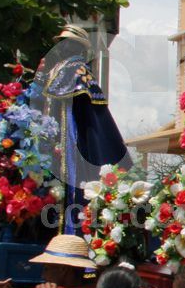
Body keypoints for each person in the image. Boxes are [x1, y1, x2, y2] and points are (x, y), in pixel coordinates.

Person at [30, 24, 130, 233]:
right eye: (62, 43)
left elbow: (92, 113)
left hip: (71, 140)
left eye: (69, 43)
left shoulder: (77, 69)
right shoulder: (57, 70)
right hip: (52, 137)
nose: (63, 47)